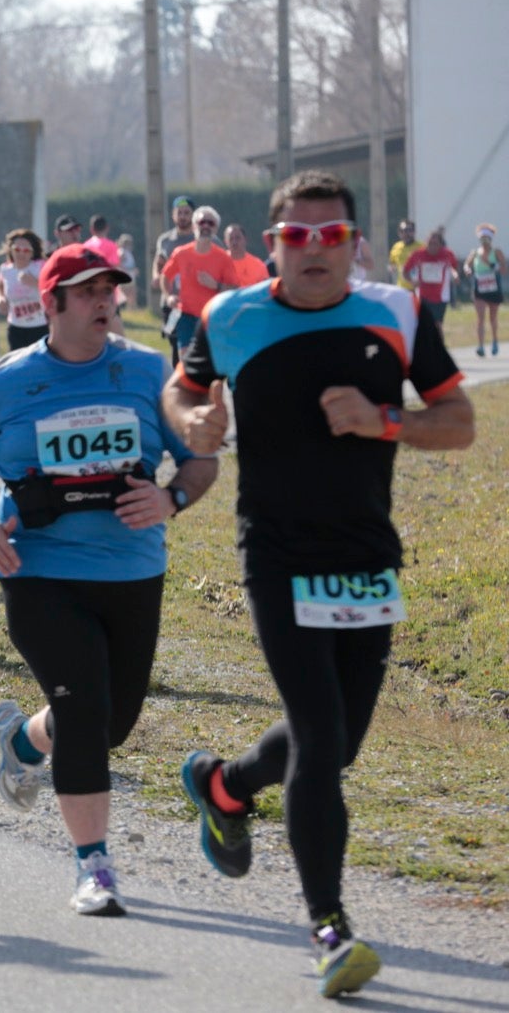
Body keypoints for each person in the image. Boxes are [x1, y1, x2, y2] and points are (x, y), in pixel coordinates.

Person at [163, 170, 474, 998]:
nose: (313, 251)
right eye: (296, 238)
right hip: (276, 555)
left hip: (369, 557)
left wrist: (386, 422)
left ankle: (223, 785)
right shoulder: (229, 318)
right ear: (271, 245)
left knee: (336, 744)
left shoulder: (398, 313)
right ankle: (329, 928)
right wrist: (193, 422)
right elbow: (180, 392)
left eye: (329, 237)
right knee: (320, 736)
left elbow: (461, 422)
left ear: (354, 243)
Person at [0, 243, 215, 917]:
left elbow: (201, 460)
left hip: (133, 571)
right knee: (87, 711)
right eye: (88, 292)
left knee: (111, 724)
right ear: (51, 302)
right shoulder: (1, 381)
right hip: (39, 574)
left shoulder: (150, 371)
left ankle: (24, 739)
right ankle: (95, 866)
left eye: (110, 292)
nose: (104, 303)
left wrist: (171, 499)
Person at [160, 205, 236, 357]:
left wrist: (215, 285)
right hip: (186, 315)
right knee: (185, 358)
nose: (206, 226)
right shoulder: (181, 253)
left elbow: (234, 288)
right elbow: (165, 276)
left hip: (212, 316)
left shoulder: (224, 258)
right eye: (202, 222)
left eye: (211, 223)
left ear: (216, 229)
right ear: (194, 225)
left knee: (209, 360)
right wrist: (169, 296)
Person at [0, 229, 48, 352]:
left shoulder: (40, 266)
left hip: (40, 326)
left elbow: (53, 288)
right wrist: (0, 298)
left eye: (26, 250)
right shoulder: (5, 270)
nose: (21, 253)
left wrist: (35, 283)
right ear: (11, 251)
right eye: (17, 249)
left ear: (32, 253)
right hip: (16, 328)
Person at [154, 196, 196, 351]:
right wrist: (156, 276)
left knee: (195, 347)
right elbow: (159, 262)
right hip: (171, 302)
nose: (183, 216)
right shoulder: (165, 240)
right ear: (173, 215)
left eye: (187, 212)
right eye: (179, 212)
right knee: (175, 346)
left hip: (195, 304)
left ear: (193, 215)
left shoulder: (202, 239)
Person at [402, 226, 459, 329]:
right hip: (423, 296)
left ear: (441, 245)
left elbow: (453, 268)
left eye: (435, 244)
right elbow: (405, 271)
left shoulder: (447, 254)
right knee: (424, 325)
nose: (432, 247)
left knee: (438, 325)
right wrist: (412, 281)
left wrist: (455, 276)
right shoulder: (418, 254)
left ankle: (438, 345)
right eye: (429, 243)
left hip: (441, 297)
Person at [466, 223, 504, 356]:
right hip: (480, 288)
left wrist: (489, 262)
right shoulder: (475, 252)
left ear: (491, 239)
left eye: (486, 238)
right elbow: (467, 265)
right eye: (482, 238)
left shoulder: (497, 252)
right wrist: (468, 270)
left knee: (492, 317)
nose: (484, 241)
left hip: (493, 288)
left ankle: (494, 340)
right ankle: (481, 346)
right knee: (480, 317)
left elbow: (504, 270)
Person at [387, 219, 421, 290]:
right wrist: (391, 267)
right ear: (399, 233)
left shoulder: (421, 247)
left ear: (414, 232)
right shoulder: (396, 247)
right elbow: (392, 263)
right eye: (402, 231)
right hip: (401, 288)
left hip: (417, 289)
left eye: (409, 230)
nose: (405, 233)